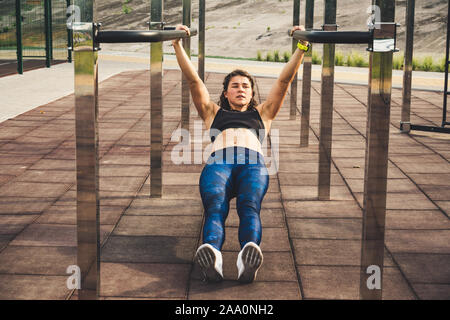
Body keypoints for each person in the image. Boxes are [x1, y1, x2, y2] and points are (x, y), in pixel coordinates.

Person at [172, 25, 309, 283]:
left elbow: (284, 81)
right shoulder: (213, 113)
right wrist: (177, 45)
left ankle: (247, 257)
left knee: (250, 207)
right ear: (226, 93)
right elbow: (193, 81)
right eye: (234, 86)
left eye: (245, 86)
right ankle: (213, 254)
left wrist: (301, 48)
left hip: (252, 163)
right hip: (219, 163)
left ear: (251, 92)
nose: (241, 89)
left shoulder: (263, 114)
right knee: (215, 207)